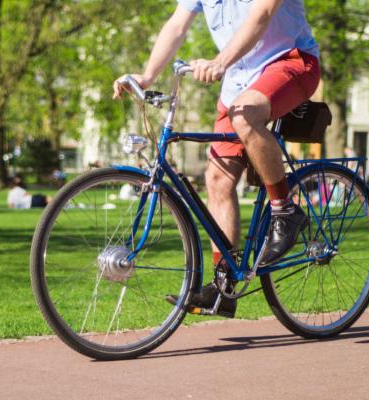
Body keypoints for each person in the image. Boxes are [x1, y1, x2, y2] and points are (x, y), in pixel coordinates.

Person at [113, 0, 320, 317]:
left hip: (290, 63)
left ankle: (285, 210)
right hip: (239, 80)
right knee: (217, 178)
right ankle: (224, 286)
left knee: (245, 117)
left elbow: (263, 13)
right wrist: (147, 76)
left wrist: (220, 61)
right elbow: (177, 25)